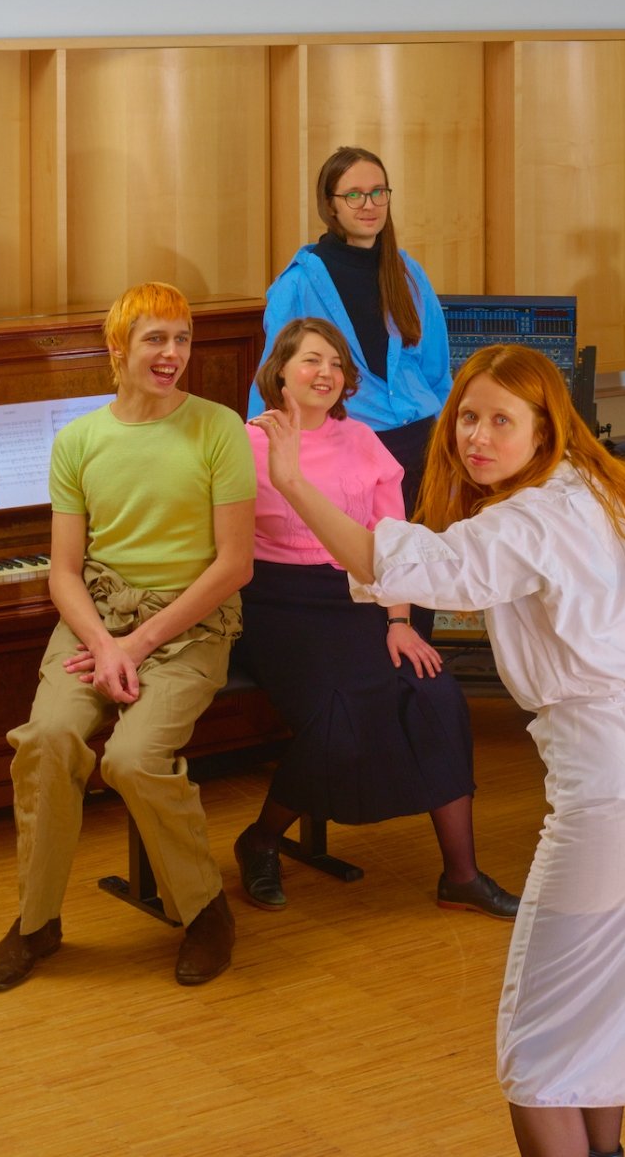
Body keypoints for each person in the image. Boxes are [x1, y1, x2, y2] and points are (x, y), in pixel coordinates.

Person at [252, 345, 625, 1157]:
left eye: (500, 420)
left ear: (546, 430)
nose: (475, 436)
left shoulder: (521, 524)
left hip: (617, 792)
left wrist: (293, 478)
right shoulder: (601, 487)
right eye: (467, 416)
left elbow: (381, 558)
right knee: (602, 1025)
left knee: (539, 1050)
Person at [0, 281, 254, 992]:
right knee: (48, 739)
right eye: (154, 338)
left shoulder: (220, 428)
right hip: (97, 617)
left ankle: (205, 910)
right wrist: (104, 643)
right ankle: (36, 922)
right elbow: (63, 571)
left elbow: (234, 565)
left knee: (131, 757)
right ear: (118, 349)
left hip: (189, 622)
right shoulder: (79, 440)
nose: (171, 354)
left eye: (182, 339)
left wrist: (137, 645)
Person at [232, 317, 519, 919]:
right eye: (311, 360)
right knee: (342, 713)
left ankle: (461, 875)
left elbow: (390, 541)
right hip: (276, 604)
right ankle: (260, 838)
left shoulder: (364, 440)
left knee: (434, 694)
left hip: (358, 596)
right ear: (278, 370)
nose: (326, 374)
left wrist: (398, 620)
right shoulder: (244, 443)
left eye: (335, 364)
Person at [254, 145, 450, 515]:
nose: (369, 204)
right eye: (354, 195)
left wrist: (447, 439)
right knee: (361, 568)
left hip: (423, 446)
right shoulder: (297, 284)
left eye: (379, 192)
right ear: (331, 206)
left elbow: (437, 372)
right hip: (346, 448)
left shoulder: (409, 274)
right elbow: (270, 383)